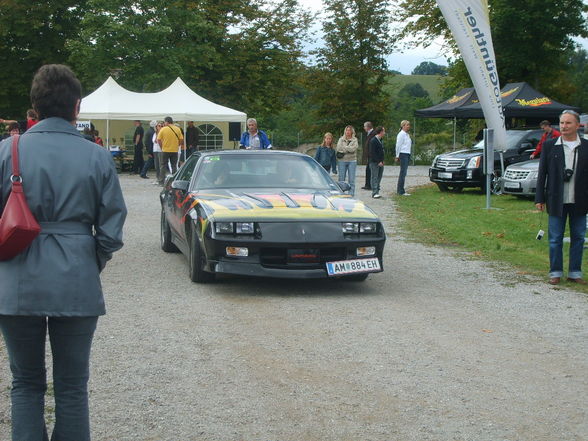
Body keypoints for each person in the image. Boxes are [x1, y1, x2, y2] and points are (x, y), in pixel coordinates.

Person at [0, 64, 126, 441]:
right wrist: (90, 259)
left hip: (16, 278)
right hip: (76, 275)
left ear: (33, 107)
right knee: (72, 386)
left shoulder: (7, 150)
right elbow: (111, 229)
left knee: (25, 382)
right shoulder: (97, 156)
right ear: (77, 107)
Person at [535, 110, 588, 286]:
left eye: (568, 123)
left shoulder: (586, 146)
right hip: (556, 199)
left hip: (580, 200)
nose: (564, 126)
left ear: (577, 125)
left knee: (578, 237)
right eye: (562, 123)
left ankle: (574, 272)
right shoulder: (550, 145)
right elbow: (542, 173)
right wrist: (539, 198)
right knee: (555, 237)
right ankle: (555, 272)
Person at [157, 116, 183, 185]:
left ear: (167, 122)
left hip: (165, 150)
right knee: (174, 165)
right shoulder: (178, 129)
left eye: (165, 122)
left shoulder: (163, 129)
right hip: (174, 150)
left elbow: (158, 139)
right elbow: (181, 139)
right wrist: (177, 145)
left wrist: (162, 147)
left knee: (163, 165)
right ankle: (174, 181)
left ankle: (161, 181)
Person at [336, 125, 359, 196]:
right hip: (342, 161)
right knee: (341, 179)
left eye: (349, 130)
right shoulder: (341, 139)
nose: (348, 131)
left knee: (351, 179)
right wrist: (348, 148)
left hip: (352, 161)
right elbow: (339, 148)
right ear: (345, 131)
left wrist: (345, 148)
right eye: (347, 130)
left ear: (352, 131)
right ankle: (341, 193)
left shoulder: (355, 140)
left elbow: (354, 149)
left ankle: (351, 194)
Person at [395, 120, 412, 196]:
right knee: (403, 172)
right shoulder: (401, 134)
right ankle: (400, 190)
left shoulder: (406, 134)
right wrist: (397, 155)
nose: (408, 126)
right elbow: (398, 145)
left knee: (404, 172)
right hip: (403, 154)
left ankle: (401, 189)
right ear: (403, 126)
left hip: (407, 153)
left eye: (409, 125)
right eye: (407, 125)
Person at [369, 126, 386, 198]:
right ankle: (374, 192)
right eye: (384, 131)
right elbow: (372, 153)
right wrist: (378, 161)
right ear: (381, 132)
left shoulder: (380, 140)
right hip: (374, 162)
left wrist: (382, 160)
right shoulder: (373, 140)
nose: (385, 133)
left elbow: (381, 152)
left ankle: (377, 191)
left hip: (380, 162)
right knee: (374, 177)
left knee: (379, 176)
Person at [361, 121, 376, 190]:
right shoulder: (369, 134)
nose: (364, 128)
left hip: (371, 155)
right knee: (368, 170)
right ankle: (368, 184)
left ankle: (369, 185)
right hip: (369, 155)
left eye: (364, 126)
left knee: (370, 170)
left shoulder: (373, 134)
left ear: (368, 127)